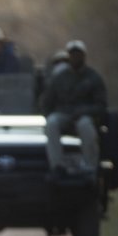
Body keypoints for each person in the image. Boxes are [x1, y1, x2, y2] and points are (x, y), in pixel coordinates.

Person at [42, 40, 107, 176]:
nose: (75, 57)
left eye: (78, 54)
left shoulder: (93, 78)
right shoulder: (60, 78)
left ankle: (90, 167)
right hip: (64, 115)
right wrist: (52, 113)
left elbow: (101, 106)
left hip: (84, 117)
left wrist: (84, 112)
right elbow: (47, 102)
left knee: (86, 126)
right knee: (52, 123)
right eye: (72, 54)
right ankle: (57, 166)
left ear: (84, 56)